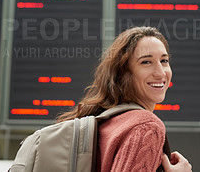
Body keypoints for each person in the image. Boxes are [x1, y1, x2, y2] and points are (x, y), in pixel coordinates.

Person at [56, 26, 192, 172]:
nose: (160, 73)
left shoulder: (105, 123)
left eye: (164, 61)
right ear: (124, 73)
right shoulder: (146, 126)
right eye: (146, 62)